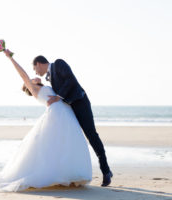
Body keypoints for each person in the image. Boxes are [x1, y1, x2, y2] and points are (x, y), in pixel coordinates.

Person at [0, 49, 92, 192]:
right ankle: (60, 175)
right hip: (57, 115)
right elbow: (22, 74)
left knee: (65, 145)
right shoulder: (34, 89)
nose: (34, 76)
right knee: (56, 147)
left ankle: (70, 175)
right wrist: (10, 57)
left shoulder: (44, 85)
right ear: (28, 84)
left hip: (64, 114)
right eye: (31, 78)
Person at [32, 55, 113, 186]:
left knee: (91, 135)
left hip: (80, 103)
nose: (36, 72)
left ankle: (106, 171)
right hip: (68, 108)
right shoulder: (49, 76)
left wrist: (58, 97)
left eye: (35, 69)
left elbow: (70, 80)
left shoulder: (58, 63)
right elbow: (51, 90)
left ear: (39, 64)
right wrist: (36, 83)